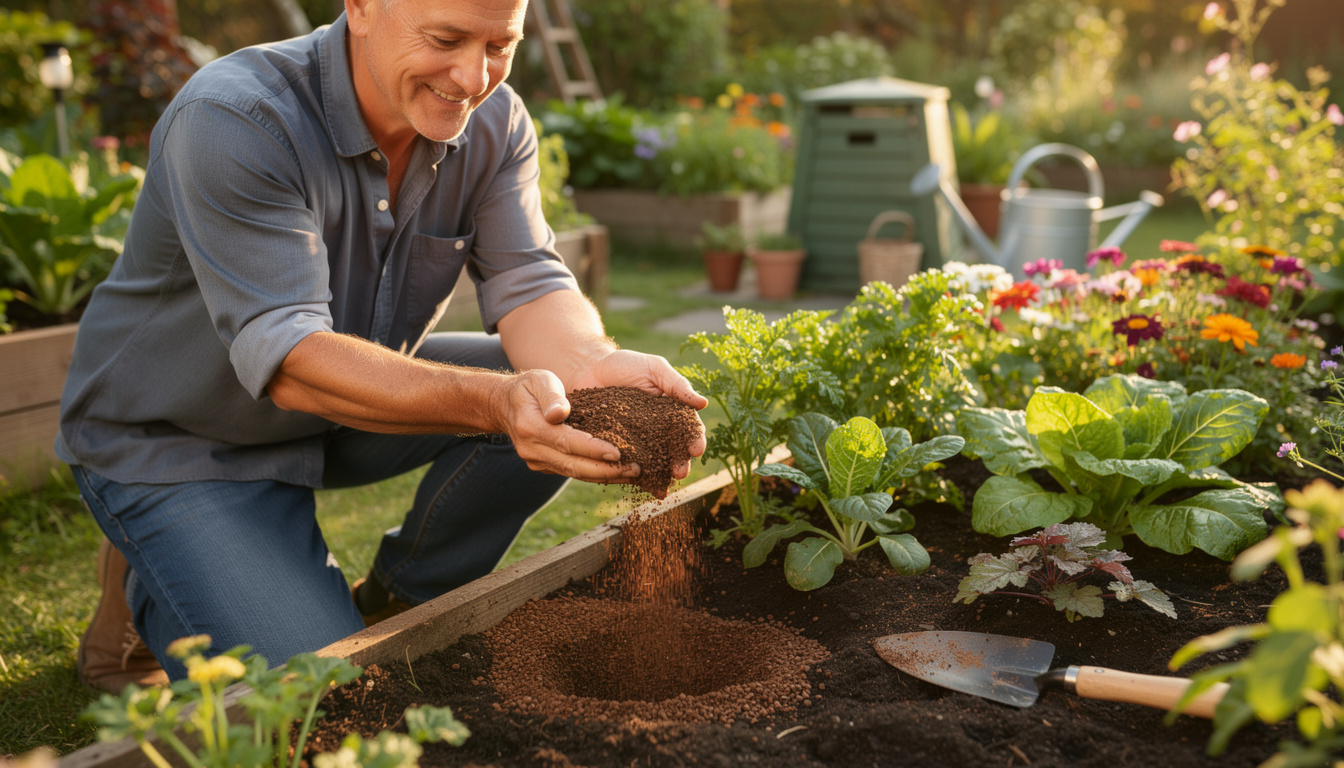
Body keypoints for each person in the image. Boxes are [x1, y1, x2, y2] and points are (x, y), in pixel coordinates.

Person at [61, 0, 707, 691]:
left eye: (500, 44)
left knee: (568, 400)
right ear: (362, 7)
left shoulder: (493, 119)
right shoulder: (236, 117)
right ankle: (151, 567)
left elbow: (526, 277)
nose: (471, 76)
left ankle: (396, 600)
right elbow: (295, 360)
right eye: (447, 39)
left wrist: (587, 366)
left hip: (344, 406)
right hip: (179, 438)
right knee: (322, 698)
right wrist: (498, 402)